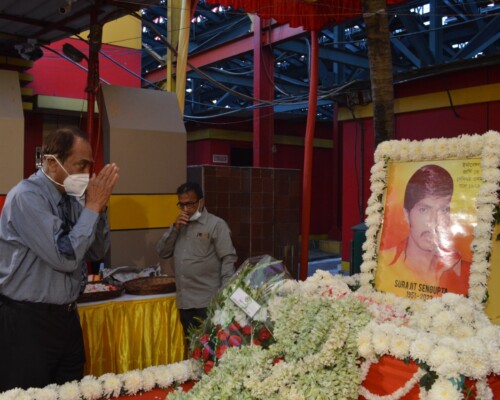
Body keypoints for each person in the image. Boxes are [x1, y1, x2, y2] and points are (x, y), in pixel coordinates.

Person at [0, 127, 119, 391]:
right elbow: (65, 257)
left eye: (89, 165)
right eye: (80, 164)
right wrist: (91, 207)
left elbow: (96, 252)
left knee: (71, 392)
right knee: (29, 394)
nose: (87, 174)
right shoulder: (27, 197)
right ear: (52, 163)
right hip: (28, 321)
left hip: (66, 319)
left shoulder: (73, 199)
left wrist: (99, 209)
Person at [376, 164, 471, 299]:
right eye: (424, 210)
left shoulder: (466, 271)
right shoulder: (382, 265)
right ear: (406, 215)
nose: (434, 222)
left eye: (443, 210)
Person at [157, 181, 237, 338]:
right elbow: (162, 252)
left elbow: (228, 259)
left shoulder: (216, 225)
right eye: (182, 205)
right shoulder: (179, 226)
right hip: (185, 301)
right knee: (192, 348)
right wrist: (174, 229)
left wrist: (224, 295)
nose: (186, 209)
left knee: (211, 350)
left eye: (190, 204)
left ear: (201, 202)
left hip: (208, 301)